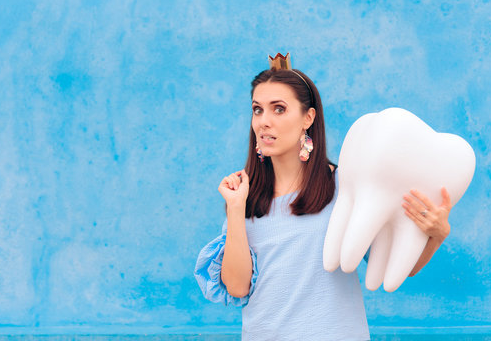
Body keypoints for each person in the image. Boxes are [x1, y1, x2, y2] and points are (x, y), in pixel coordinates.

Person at [194, 54, 452, 340]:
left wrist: (437, 235)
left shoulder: (343, 185)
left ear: (308, 117)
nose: (264, 121)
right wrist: (235, 208)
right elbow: (238, 287)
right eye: (258, 110)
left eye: (278, 109)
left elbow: (396, 266)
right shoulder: (243, 195)